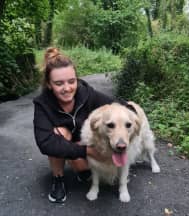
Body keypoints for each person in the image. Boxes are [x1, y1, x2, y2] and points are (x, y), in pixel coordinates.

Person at [33, 47, 134, 203]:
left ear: (77, 80)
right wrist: (87, 151)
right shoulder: (42, 104)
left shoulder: (86, 93)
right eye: (59, 83)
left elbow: (119, 105)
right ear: (49, 84)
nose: (67, 88)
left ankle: (81, 167)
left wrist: (130, 113)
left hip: (80, 142)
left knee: (82, 168)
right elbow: (45, 143)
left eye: (72, 81)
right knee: (59, 132)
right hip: (67, 143)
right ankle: (58, 178)